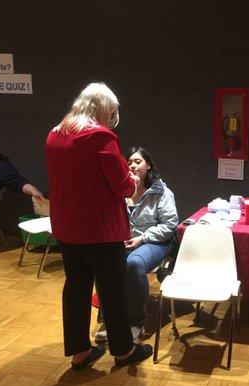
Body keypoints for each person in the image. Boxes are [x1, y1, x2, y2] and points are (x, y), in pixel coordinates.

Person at [45, 82, 152, 370]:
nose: (113, 118)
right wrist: (131, 181)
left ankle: (79, 352)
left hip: (67, 227)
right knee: (113, 289)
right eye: (112, 111)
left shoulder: (55, 135)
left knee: (76, 287)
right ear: (104, 108)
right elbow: (124, 187)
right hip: (100, 231)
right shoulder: (101, 137)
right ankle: (124, 351)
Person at [96, 146, 179, 342]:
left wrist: (142, 238)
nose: (132, 165)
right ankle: (113, 322)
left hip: (154, 241)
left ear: (148, 165)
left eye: (138, 161)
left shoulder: (162, 192)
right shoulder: (119, 190)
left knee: (133, 263)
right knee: (103, 264)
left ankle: (136, 322)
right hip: (123, 241)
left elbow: (170, 224)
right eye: (129, 162)